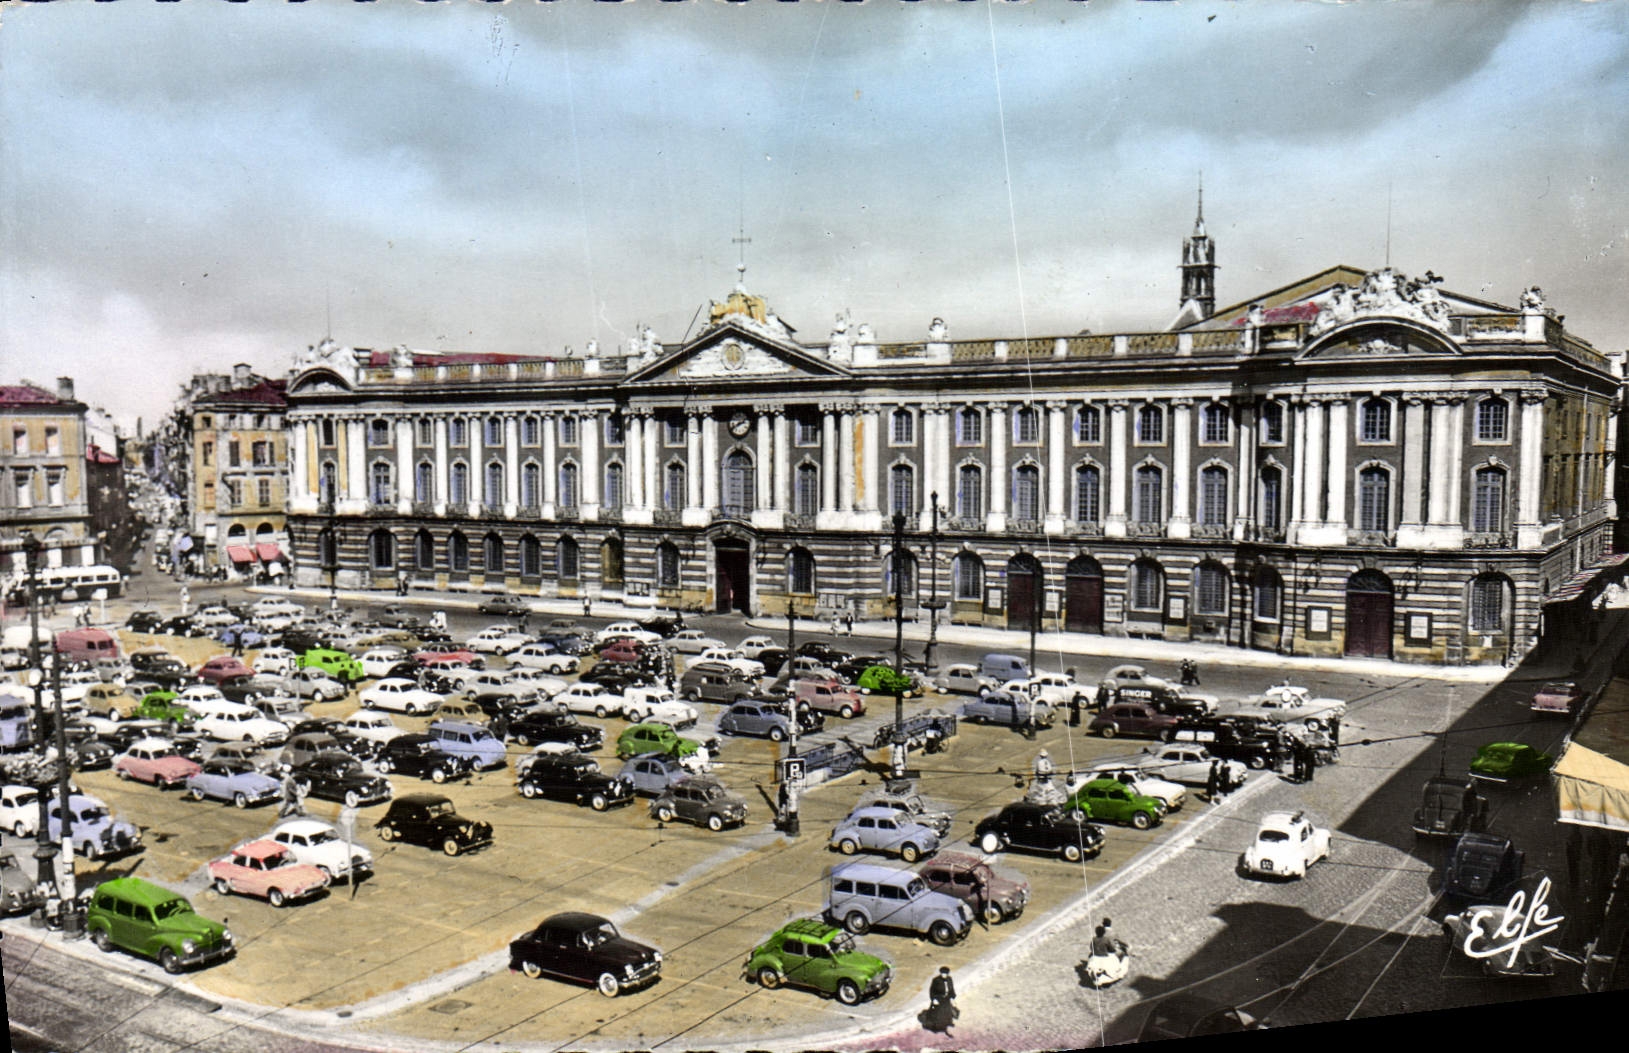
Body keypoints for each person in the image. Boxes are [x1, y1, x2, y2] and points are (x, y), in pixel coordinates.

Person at [926, 965, 958, 1035]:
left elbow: (952, 989)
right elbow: (932, 990)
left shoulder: (949, 979)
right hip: (938, 998)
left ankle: (948, 1023)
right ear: (940, 973)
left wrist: (953, 997)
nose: (944, 975)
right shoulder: (936, 980)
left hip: (947, 998)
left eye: (945, 974)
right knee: (938, 1012)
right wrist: (934, 999)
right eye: (943, 973)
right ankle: (936, 1026)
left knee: (948, 1011)